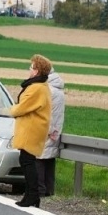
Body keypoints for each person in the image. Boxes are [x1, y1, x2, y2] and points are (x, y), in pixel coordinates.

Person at [4, 56, 53, 208]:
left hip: (31, 129)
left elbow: (22, 107)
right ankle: (31, 195)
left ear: (36, 71)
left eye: (31, 68)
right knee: (27, 161)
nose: (29, 70)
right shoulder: (39, 86)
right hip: (30, 128)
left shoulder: (36, 88)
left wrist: (7, 111)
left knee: (27, 161)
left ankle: (32, 195)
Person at [38, 66, 66, 195]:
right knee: (49, 159)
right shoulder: (58, 90)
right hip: (55, 129)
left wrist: (47, 129)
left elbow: (45, 112)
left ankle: (41, 190)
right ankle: (49, 190)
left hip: (47, 130)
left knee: (40, 158)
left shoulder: (48, 90)